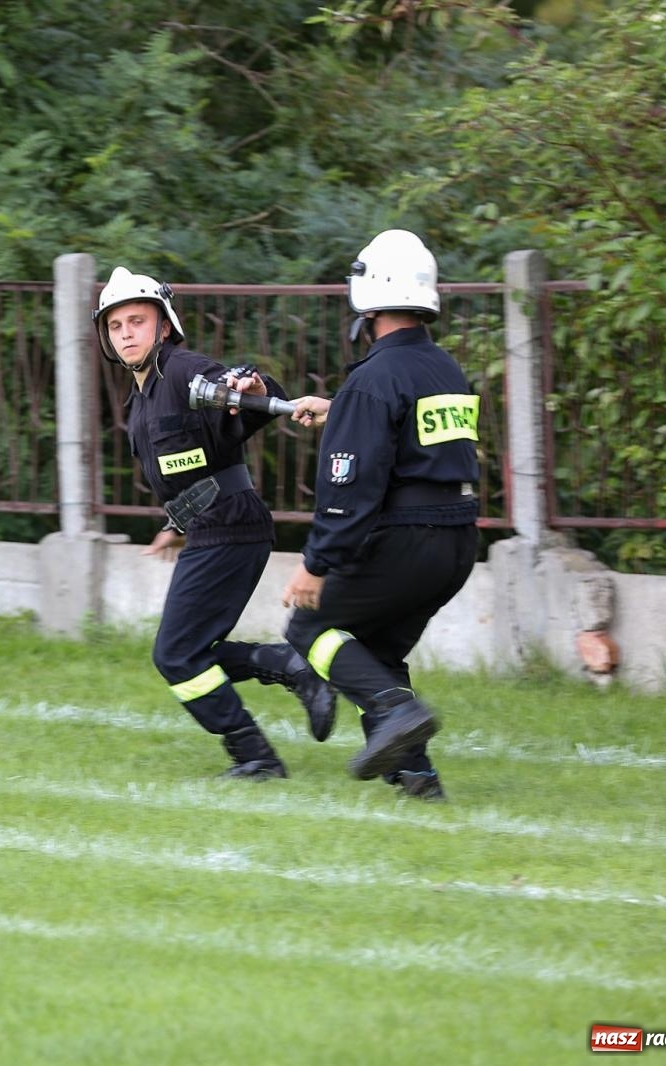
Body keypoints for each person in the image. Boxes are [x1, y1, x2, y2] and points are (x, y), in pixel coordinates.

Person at [96, 266, 336, 780]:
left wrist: (251, 385)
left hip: (231, 527)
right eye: (115, 326)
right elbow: (189, 465)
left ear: (164, 326)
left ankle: (256, 754)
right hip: (210, 527)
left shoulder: (184, 370)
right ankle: (286, 667)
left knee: (176, 655)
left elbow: (242, 396)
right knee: (187, 652)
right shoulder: (140, 399)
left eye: (137, 321)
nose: (126, 334)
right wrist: (175, 522)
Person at [280, 229, 480, 800]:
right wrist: (344, 408)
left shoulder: (371, 380)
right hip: (457, 543)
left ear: (365, 302)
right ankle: (418, 777)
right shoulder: (444, 368)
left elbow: (349, 490)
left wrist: (316, 564)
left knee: (310, 629)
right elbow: (410, 435)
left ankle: (395, 709)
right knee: (377, 650)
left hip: (406, 541)